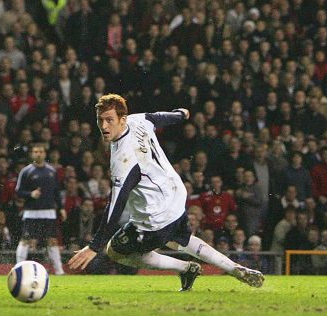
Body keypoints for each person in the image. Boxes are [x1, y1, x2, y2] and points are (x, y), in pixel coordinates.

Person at [67, 94, 263, 290]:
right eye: (100, 120)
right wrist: (180, 114)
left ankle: (184, 268)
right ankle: (234, 267)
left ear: (122, 119)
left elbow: (115, 206)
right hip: (175, 197)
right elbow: (157, 118)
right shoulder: (138, 120)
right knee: (180, 240)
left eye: (109, 120)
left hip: (155, 216)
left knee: (115, 251)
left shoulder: (123, 160)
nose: (104, 126)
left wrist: (94, 246)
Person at [14, 143, 66, 275]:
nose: (38, 154)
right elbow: (18, 191)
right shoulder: (26, 171)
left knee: (52, 241)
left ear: (45, 154)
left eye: (41, 151)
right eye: (36, 151)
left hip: (49, 212)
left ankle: (59, 270)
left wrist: (61, 208)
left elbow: (56, 192)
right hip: (31, 212)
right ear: (32, 154)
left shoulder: (52, 171)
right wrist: (30, 194)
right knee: (25, 240)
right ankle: (18, 269)